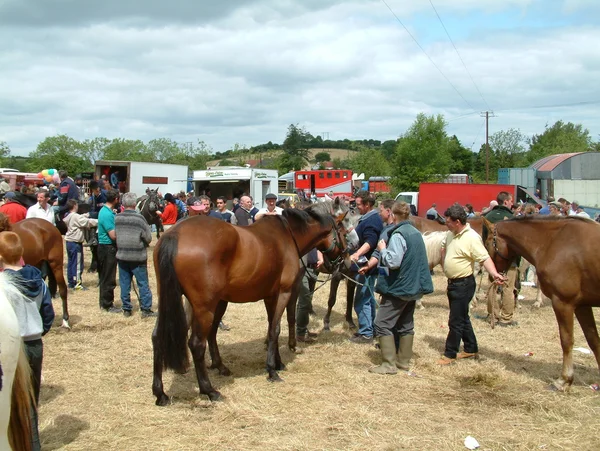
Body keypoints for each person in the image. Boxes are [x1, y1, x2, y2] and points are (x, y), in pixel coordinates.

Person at [0, 231, 54, 451]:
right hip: (35, 343)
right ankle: (34, 443)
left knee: (12, 399)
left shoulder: (5, 286)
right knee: (31, 399)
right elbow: (48, 313)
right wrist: (40, 330)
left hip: (14, 345)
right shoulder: (38, 281)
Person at [368, 201, 433, 374]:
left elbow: (393, 262)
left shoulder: (398, 234)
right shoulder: (415, 232)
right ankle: (403, 363)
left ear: (393, 216)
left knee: (381, 324)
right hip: (413, 286)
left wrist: (382, 249)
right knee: (406, 325)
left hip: (399, 287)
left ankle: (388, 365)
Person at [439, 205, 506, 365]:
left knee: (455, 321)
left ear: (457, 222)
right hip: (453, 283)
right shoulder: (451, 234)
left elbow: (484, 258)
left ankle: (450, 354)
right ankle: (470, 348)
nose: (446, 224)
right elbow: (443, 246)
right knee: (462, 317)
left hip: (463, 284)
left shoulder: (471, 237)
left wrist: (494, 273)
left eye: (448, 221)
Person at [348, 191, 383, 344]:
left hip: (366, 267)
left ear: (367, 205)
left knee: (362, 300)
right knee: (367, 299)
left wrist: (356, 254)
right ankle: (371, 329)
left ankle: (366, 333)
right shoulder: (368, 218)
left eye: (359, 205)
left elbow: (370, 241)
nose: (357, 208)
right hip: (367, 267)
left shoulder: (372, 220)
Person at [115, 192, 156, 318]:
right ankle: (146, 309)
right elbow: (148, 238)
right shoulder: (139, 218)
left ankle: (127, 308)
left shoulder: (117, 218)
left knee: (124, 284)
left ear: (123, 203)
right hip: (138, 256)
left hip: (122, 255)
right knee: (143, 283)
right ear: (134, 203)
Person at [484, 191, 518, 327]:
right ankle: (506, 318)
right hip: (509, 259)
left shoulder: (487, 216)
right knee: (508, 287)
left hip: (492, 259)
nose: (512, 203)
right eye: (510, 201)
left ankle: (493, 314)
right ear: (505, 202)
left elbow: (484, 239)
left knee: (492, 286)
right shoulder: (512, 217)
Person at [295, 201, 322, 343]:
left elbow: (315, 246)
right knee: (304, 300)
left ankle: (303, 329)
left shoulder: (310, 228)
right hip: (301, 268)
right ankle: (299, 333)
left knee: (306, 301)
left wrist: (320, 256)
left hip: (312, 267)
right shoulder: (296, 230)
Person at [64, 199, 98, 290]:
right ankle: (77, 283)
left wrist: (86, 215)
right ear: (75, 205)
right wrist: (100, 220)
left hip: (69, 242)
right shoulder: (76, 217)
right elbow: (88, 222)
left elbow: (80, 218)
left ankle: (71, 281)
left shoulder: (68, 215)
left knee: (71, 263)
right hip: (75, 243)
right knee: (78, 264)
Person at [97, 189, 122, 313]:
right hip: (108, 248)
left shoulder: (107, 211)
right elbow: (113, 235)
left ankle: (104, 302)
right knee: (108, 277)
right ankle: (107, 304)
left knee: (105, 276)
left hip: (105, 247)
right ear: (116, 199)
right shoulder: (107, 214)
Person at [87, 180, 107, 273]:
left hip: (104, 217)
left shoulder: (104, 195)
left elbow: (101, 211)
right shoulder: (94, 196)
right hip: (97, 216)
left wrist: (90, 214)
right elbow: (94, 208)